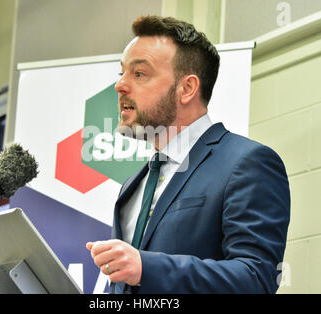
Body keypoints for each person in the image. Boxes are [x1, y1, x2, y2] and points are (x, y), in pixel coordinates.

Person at [86, 15, 290, 294]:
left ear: (187, 88)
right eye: (121, 73)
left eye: (139, 74)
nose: (120, 85)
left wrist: (146, 267)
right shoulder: (132, 186)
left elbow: (256, 278)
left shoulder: (246, 163)